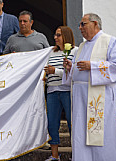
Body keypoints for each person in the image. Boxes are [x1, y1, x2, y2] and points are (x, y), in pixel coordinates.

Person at [63, 13, 116, 161]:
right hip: (80, 99)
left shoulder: (111, 42)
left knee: (102, 135)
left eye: (83, 24)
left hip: (99, 100)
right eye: (80, 25)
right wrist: (70, 68)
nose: (80, 28)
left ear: (95, 24)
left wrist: (93, 66)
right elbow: (79, 73)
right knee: (81, 134)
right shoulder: (82, 46)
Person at [43, 26, 78, 161]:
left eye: (58, 35)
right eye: (55, 35)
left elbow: (75, 71)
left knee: (72, 122)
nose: (55, 37)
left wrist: (55, 71)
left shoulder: (75, 51)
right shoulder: (51, 52)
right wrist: (45, 75)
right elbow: (45, 68)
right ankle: (54, 156)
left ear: (66, 36)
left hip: (67, 91)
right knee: (52, 123)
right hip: (52, 91)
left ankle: (76, 154)